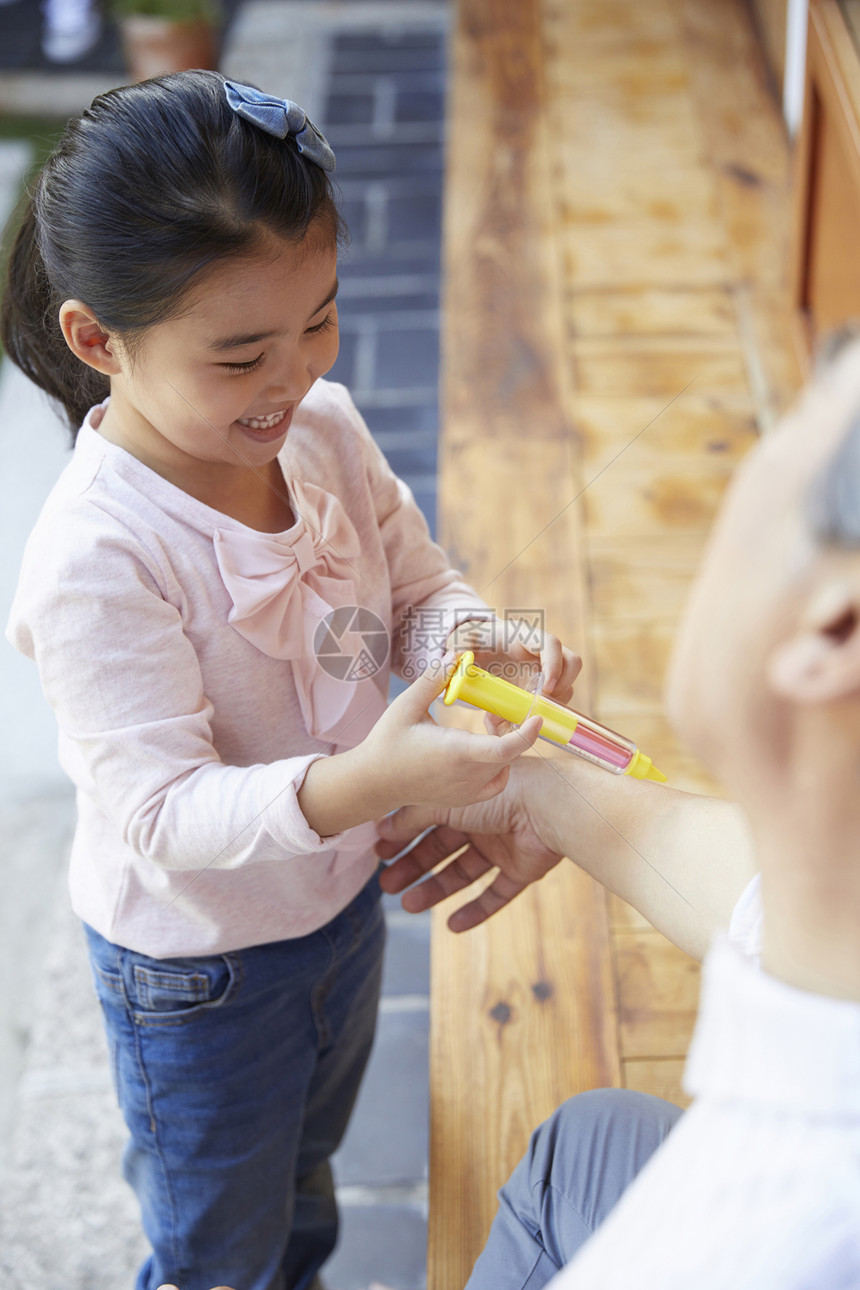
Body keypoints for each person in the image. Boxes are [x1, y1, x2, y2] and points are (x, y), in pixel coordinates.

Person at [1, 71, 578, 1290]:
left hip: (334, 907)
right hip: (196, 973)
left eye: (316, 319)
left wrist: (485, 647)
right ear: (99, 340)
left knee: (302, 1180)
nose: (292, 375)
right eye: (240, 353)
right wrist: (363, 779)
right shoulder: (99, 560)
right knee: (218, 1243)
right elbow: (156, 812)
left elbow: (416, 596)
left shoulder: (321, 428)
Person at [375, 332, 860, 1285]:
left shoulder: (747, 1239)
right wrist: (543, 792)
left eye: (799, 414)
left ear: (834, 626)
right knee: (588, 1142)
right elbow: (779, 901)